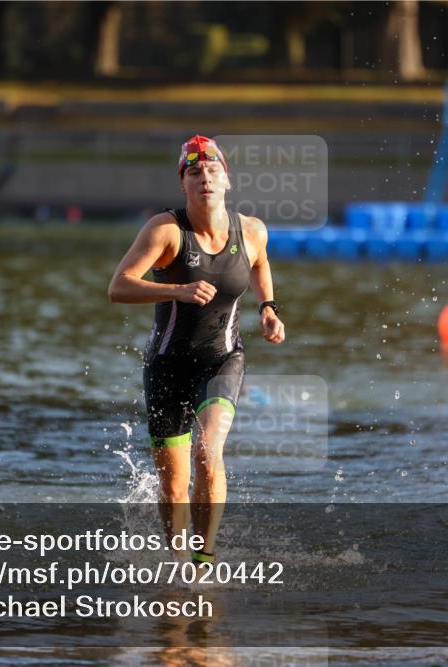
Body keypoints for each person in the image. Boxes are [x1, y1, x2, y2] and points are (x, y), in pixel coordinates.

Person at [108, 135, 285, 566]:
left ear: (227, 179)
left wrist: (268, 307)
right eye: (193, 172)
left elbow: (259, 263)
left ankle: (204, 561)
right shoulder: (165, 231)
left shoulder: (252, 231)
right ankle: (177, 562)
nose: (204, 177)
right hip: (167, 365)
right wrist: (178, 289)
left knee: (209, 452)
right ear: (183, 185)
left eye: (212, 170)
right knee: (173, 484)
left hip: (223, 359)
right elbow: (119, 287)